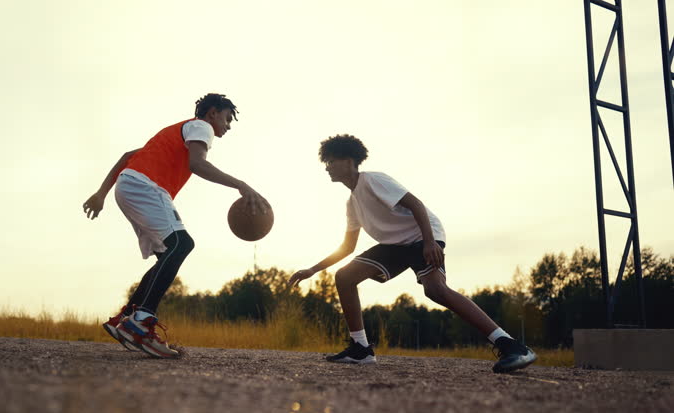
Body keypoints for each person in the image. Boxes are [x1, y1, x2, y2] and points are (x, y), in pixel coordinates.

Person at [288, 134, 536, 373]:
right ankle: (361, 349)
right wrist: (313, 269)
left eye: (331, 161)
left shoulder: (373, 180)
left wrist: (429, 242)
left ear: (349, 161)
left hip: (422, 235)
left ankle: (511, 345)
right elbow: (347, 247)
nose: (327, 167)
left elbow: (416, 204)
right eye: (326, 162)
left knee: (436, 290)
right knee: (345, 277)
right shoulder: (352, 203)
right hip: (394, 245)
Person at [83, 93, 269, 358]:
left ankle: (126, 318)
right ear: (212, 113)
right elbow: (197, 164)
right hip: (146, 185)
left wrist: (101, 194)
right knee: (182, 244)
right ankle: (141, 322)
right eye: (228, 118)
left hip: (129, 186)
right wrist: (241, 185)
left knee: (167, 255)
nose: (229, 125)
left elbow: (127, 156)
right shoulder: (201, 126)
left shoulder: (178, 132)